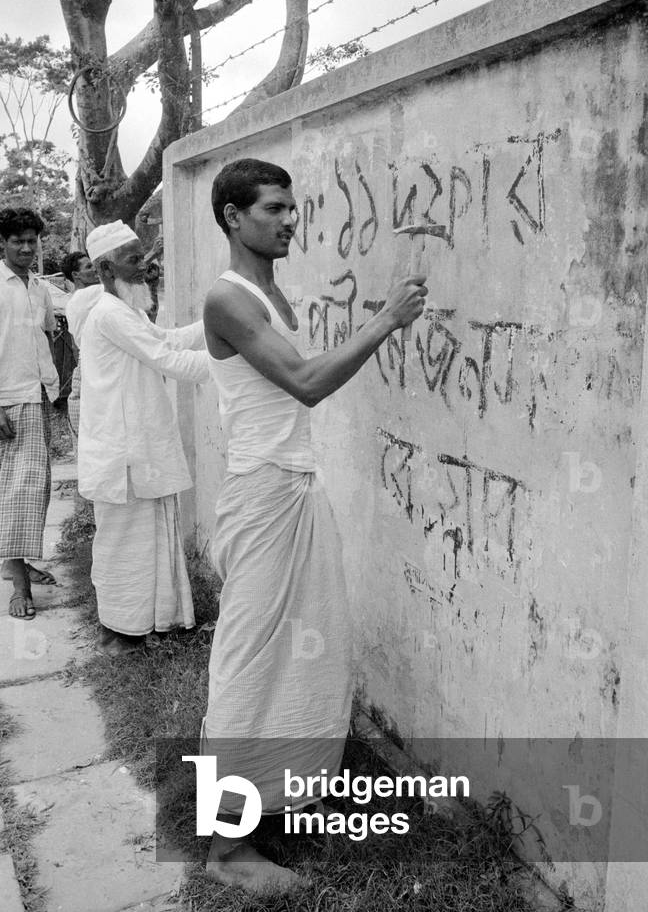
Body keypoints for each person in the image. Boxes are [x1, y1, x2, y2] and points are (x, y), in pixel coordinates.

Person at [201, 158, 427, 892]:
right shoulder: (227, 298)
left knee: (309, 654)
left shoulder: (270, 292)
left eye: (292, 208)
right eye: (274, 208)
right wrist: (386, 320)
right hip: (261, 497)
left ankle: (289, 790)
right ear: (233, 216)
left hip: (294, 489)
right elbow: (303, 383)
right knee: (248, 662)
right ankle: (226, 847)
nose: (291, 220)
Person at [78, 220, 209, 657]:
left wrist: (215, 321)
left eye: (143, 257)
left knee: (146, 540)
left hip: (137, 450)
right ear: (105, 270)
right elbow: (167, 359)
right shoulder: (110, 314)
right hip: (123, 456)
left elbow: (167, 339)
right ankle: (117, 635)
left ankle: (142, 626)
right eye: (133, 259)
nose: (144, 267)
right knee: (124, 546)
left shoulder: (127, 310)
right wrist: (239, 358)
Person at [0, 208, 60, 617]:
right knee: (19, 491)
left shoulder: (40, 288)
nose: (26, 247)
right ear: (2, 243)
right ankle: (20, 589)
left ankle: (14, 563)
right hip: (8, 399)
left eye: (31, 241)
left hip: (38, 396)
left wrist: (54, 387)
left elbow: (48, 336)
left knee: (31, 490)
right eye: (17, 240)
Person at [61, 251, 103, 444]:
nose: (95, 269)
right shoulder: (86, 296)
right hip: (90, 367)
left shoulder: (76, 300)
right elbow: (121, 281)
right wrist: (151, 255)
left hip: (86, 366)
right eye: (88, 267)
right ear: (75, 275)